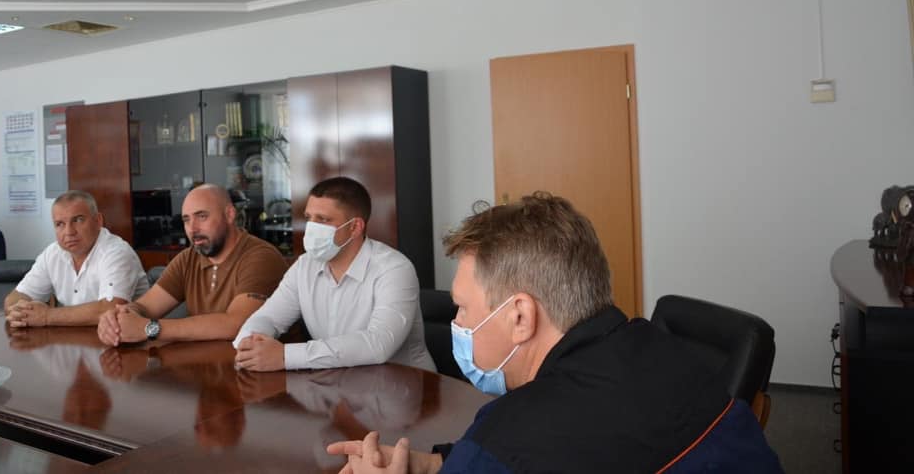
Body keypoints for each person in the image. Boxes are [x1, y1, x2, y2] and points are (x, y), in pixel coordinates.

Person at [327, 193, 782, 473]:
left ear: (520, 317)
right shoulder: (663, 349)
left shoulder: (508, 436)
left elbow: (515, 454)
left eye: (463, 308)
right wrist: (433, 465)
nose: (458, 324)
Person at [233, 176, 434, 372]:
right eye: (309, 218)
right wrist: (249, 343)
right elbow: (269, 317)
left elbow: (378, 344)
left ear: (355, 227)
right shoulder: (304, 266)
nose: (311, 227)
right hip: (339, 382)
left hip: (404, 384)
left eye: (323, 219)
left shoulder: (394, 268)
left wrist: (285, 356)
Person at [97, 184, 287, 346]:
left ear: (229, 214)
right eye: (186, 220)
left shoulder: (261, 257)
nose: (192, 229)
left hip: (264, 372)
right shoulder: (188, 259)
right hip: (206, 369)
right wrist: (119, 317)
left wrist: (150, 328)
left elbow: (237, 324)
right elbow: (145, 307)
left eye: (202, 216)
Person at [4, 191, 149, 327]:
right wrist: (18, 311)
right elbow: (16, 297)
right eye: (60, 224)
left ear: (98, 221)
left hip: (125, 340)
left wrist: (47, 316)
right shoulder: (52, 253)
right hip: (71, 339)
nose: (69, 232)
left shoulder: (117, 252)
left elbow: (112, 309)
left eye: (78, 220)